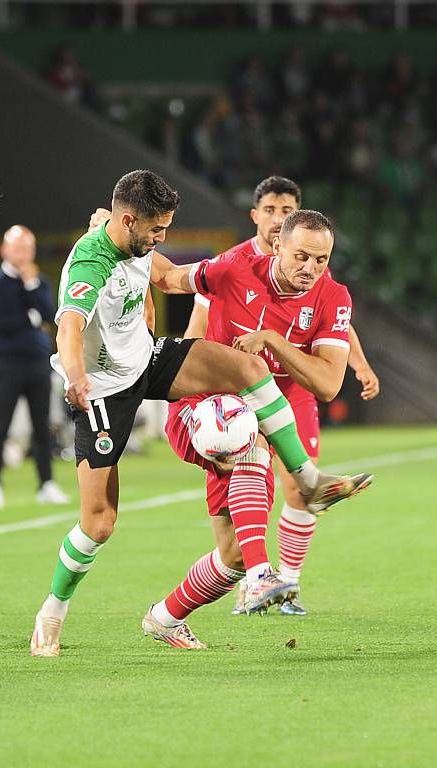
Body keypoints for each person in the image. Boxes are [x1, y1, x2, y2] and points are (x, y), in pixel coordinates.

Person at [29, 169, 371, 658]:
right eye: (157, 229)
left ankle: (306, 483)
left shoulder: (136, 246)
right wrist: (77, 374)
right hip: (103, 392)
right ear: (129, 221)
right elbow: (68, 325)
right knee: (99, 523)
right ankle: (51, 614)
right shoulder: (91, 262)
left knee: (249, 370)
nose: (163, 238)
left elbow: (169, 277)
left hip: (145, 361)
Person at [144, 209, 357, 648]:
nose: (310, 269)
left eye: (321, 260)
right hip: (197, 407)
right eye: (301, 256)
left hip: (252, 415)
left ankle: (165, 617)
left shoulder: (332, 297)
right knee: (249, 436)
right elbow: (168, 279)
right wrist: (114, 233)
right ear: (277, 244)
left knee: (233, 555)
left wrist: (276, 340)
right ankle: (264, 576)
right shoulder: (234, 267)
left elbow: (329, 383)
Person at [178, 176, 379, 617]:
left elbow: (336, 328)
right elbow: (194, 318)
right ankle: (239, 583)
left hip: (290, 387)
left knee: (298, 491)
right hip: (229, 394)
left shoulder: (313, 272)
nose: (277, 218)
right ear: (257, 217)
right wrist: (182, 377)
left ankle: (284, 582)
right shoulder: (231, 267)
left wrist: (358, 364)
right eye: (270, 210)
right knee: (231, 543)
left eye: (286, 210)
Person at [0, 225, 69, 510]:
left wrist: (31, 288)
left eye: (28, 248)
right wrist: (33, 318)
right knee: (0, 426)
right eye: (18, 247)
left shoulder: (39, 282)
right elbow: (3, 325)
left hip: (38, 362)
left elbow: (51, 315)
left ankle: (47, 484)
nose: (24, 254)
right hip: (7, 364)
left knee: (42, 426)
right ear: (5, 250)